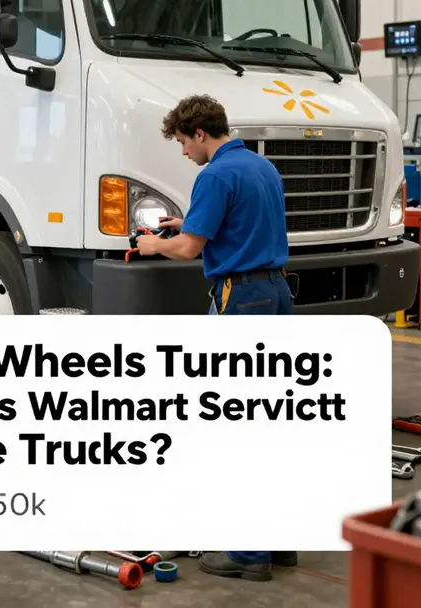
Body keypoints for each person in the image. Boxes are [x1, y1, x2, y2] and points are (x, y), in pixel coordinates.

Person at [135, 94, 297, 582]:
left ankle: (248, 553)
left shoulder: (214, 175)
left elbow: (188, 250)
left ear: (200, 134)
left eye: (183, 142)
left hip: (240, 299)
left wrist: (155, 243)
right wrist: (189, 223)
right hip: (276, 293)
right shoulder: (261, 167)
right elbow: (242, 224)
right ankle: (280, 541)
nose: (184, 151)